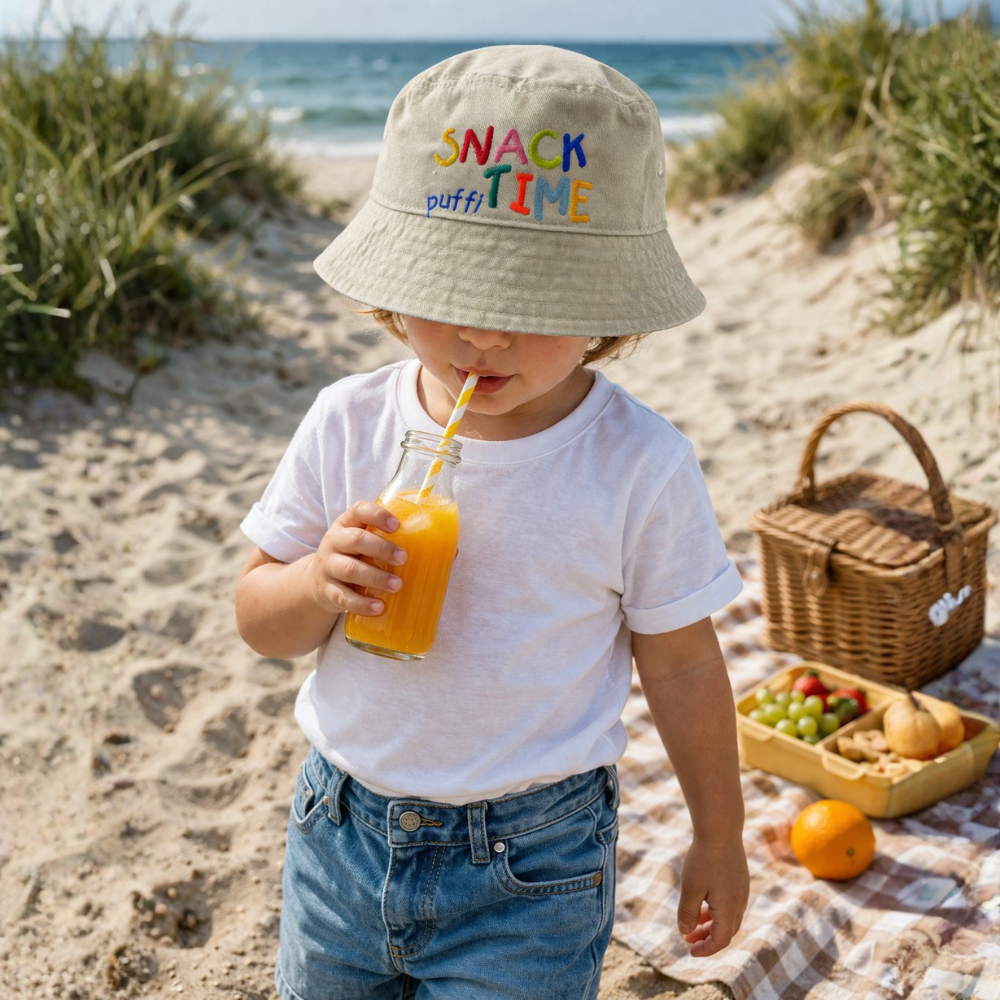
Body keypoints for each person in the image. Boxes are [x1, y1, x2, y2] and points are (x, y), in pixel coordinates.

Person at [235, 43, 749, 1000]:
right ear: (396, 288)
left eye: (534, 301)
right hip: (339, 834)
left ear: (606, 306)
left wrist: (718, 834)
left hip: (534, 863)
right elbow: (258, 619)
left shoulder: (638, 463)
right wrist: (315, 586)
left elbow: (680, 660)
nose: (487, 335)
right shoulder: (349, 421)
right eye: (456, 294)